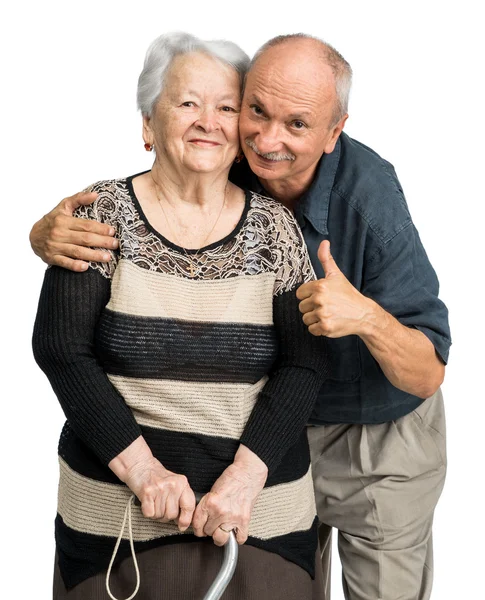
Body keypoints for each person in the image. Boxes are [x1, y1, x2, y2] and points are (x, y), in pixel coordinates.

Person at [30, 33, 451, 600]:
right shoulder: (223, 158)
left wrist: (367, 317)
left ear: (334, 132)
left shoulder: (365, 198)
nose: (266, 138)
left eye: (296, 125)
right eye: (253, 110)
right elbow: (63, 341)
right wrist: (40, 234)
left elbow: (425, 373)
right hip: (282, 436)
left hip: (373, 433)